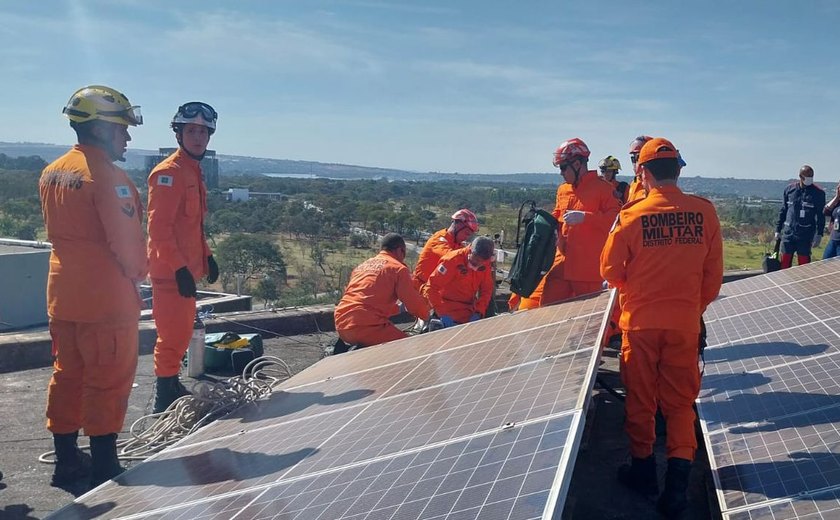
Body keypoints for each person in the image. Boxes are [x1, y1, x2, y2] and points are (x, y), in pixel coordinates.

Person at [600, 137, 723, 518]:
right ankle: (676, 491)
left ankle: (643, 473)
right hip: (684, 325)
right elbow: (713, 280)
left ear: (643, 172)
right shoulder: (705, 213)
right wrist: (689, 309)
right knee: (680, 404)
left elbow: (608, 271)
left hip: (639, 325)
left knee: (640, 400)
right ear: (679, 170)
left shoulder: (632, 215)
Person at [40, 85, 147, 488]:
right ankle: (105, 465)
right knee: (108, 378)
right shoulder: (108, 178)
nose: (127, 137)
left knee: (67, 374)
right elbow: (128, 246)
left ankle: (66, 459)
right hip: (105, 300)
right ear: (102, 129)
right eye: (122, 129)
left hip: (62, 294)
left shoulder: (54, 171)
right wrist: (139, 273)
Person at [147, 102, 219, 413]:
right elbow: (159, 228)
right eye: (191, 130)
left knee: (181, 331)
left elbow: (193, 226)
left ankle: (171, 383)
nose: (198, 137)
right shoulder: (168, 173)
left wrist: (208, 256)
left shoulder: (193, 172)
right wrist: (178, 269)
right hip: (171, 272)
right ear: (178, 134)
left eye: (203, 131)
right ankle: (163, 399)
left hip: (186, 270)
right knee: (173, 335)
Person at [519, 138, 620, 309]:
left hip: (588, 271)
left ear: (578, 163)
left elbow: (617, 219)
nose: (561, 172)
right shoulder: (563, 189)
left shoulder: (603, 188)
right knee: (547, 311)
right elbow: (557, 216)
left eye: (563, 167)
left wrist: (586, 217)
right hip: (562, 264)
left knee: (589, 321)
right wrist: (541, 222)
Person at [334, 233, 431, 347]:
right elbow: (413, 304)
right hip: (366, 326)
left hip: (341, 324)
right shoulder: (398, 269)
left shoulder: (361, 267)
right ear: (400, 250)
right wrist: (427, 315)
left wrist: (398, 309)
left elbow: (366, 299)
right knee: (409, 347)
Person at [424, 236, 495, 326]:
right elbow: (431, 287)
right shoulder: (452, 260)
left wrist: (479, 311)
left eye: (481, 261)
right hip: (446, 311)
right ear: (470, 250)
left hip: (469, 313)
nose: (478, 263)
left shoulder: (486, 264)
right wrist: (442, 313)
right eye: (476, 259)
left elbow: (487, 290)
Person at [412, 209, 479, 289]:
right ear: (458, 226)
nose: (466, 237)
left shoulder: (457, 244)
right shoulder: (439, 239)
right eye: (466, 233)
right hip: (419, 288)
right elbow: (449, 255)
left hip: (433, 289)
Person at [775, 165, 826, 269]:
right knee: (784, 263)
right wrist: (778, 229)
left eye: (811, 176)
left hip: (805, 235)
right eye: (807, 176)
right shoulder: (790, 190)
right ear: (800, 176)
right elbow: (783, 210)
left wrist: (819, 234)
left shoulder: (818, 193)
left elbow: (821, 215)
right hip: (788, 233)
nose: (810, 178)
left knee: (804, 266)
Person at [823, 182, 840, 259]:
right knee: (826, 263)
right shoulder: (837, 202)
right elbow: (825, 211)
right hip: (833, 239)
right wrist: (836, 197)